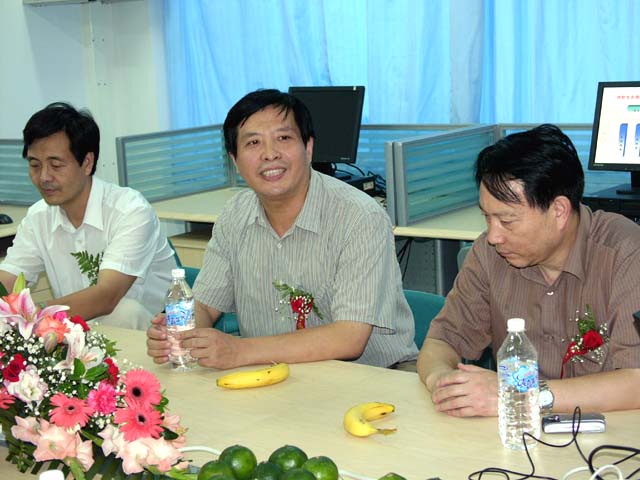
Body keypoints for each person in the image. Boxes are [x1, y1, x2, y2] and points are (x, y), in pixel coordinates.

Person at [146, 88, 417, 369]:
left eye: (283, 138)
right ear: (235, 160)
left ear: (308, 148)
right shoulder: (235, 215)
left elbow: (348, 338)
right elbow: (205, 305)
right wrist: (179, 332)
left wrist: (238, 350)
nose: (270, 154)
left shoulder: (359, 217)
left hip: (374, 376)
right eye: (253, 143)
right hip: (272, 373)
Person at [418, 124, 640, 417]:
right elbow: (442, 341)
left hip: (608, 433)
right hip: (516, 432)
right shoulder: (489, 253)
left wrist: (522, 395)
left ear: (558, 211)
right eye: (487, 218)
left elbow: (636, 380)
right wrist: (444, 383)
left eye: (507, 221)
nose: (493, 236)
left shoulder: (625, 253)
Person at [0, 102, 176, 329]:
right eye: (35, 165)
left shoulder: (130, 210)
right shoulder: (38, 217)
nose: (44, 177)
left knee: (124, 311)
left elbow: (106, 297)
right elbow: (8, 281)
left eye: (56, 165)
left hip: (154, 332)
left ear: (87, 163)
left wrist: (31, 316)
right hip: (77, 332)